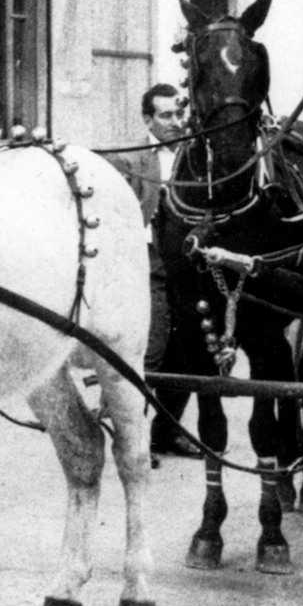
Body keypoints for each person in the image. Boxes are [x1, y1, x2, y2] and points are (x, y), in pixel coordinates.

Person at [106, 84, 202, 461]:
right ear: (148, 119)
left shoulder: (195, 155)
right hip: (149, 262)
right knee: (150, 349)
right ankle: (133, 440)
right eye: (166, 116)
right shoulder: (130, 160)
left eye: (179, 114)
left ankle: (168, 431)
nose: (176, 122)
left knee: (187, 349)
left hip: (190, 262)